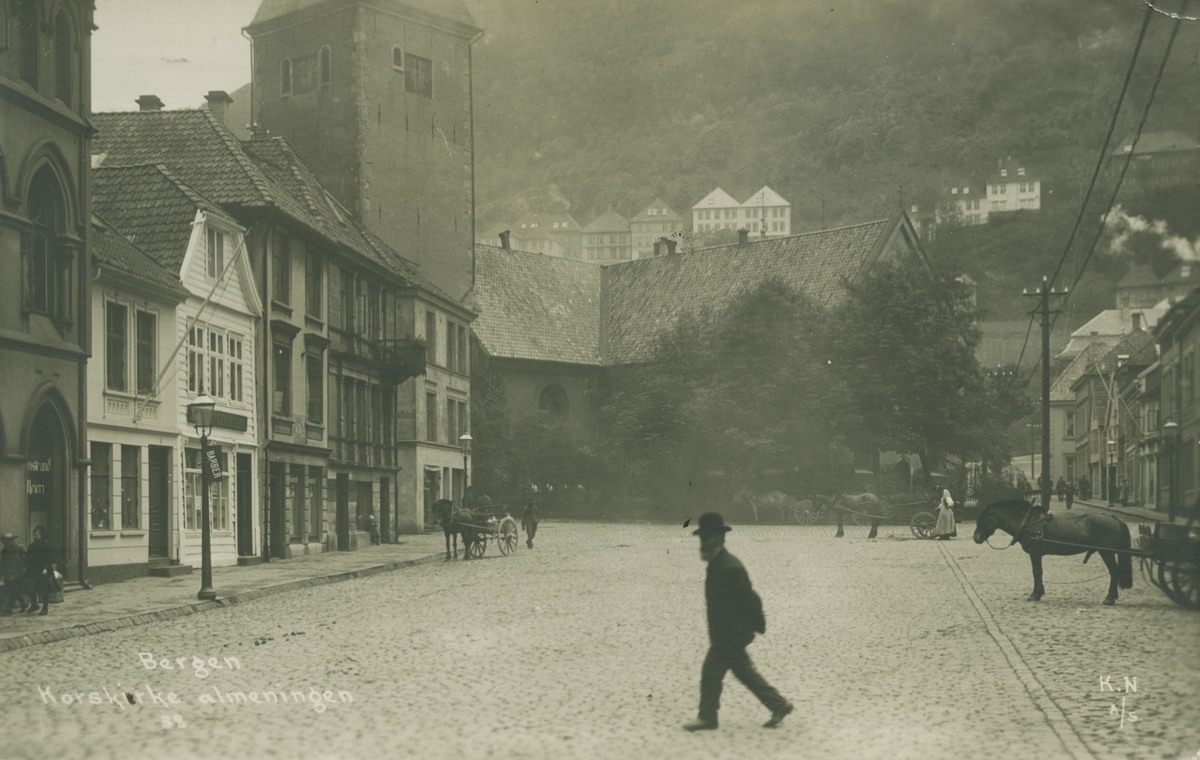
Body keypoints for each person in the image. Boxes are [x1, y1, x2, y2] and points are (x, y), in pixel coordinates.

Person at [684, 512, 792, 732]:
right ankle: (780, 704)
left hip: (731, 634)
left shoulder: (730, 567)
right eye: (701, 539)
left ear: (719, 539)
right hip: (726, 632)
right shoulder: (717, 564)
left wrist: (758, 624)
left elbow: (751, 599)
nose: (702, 543)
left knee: (711, 672)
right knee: (744, 671)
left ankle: (707, 717)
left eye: (707, 538)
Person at [24, 525, 55, 615]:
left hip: (43, 570)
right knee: (29, 587)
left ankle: (45, 608)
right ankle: (34, 605)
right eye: (33, 535)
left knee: (44, 589)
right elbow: (28, 558)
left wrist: (46, 568)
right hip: (32, 570)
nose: (34, 537)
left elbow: (49, 558)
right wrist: (27, 565)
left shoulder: (45, 546)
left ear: (41, 536)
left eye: (36, 535)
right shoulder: (31, 546)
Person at [1, 533, 29, 615]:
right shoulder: (4, 550)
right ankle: (23, 604)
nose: (3, 542)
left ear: (10, 540)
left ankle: (8, 609)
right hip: (9, 573)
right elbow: (3, 563)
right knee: (14, 590)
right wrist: (2, 574)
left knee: (12, 590)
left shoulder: (19, 548)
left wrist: (25, 565)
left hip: (18, 573)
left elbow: (29, 556)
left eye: (5, 541)